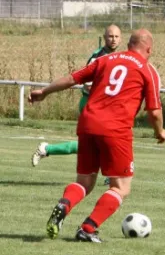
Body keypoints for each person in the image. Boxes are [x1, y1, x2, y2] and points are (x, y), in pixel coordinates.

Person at [28, 28, 165, 243]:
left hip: (87, 123)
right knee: (120, 187)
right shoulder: (147, 70)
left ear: (128, 44)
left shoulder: (106, 59)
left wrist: (44, 92)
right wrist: (160, 132)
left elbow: (71, 78)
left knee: (84, 181)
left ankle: (64, 205)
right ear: (149, 49)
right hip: (116, 130)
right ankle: (88, 228)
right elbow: (155, 111)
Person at [31, 25, 122, 167]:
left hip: (101, 105)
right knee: (107, 140)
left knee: (90, 146)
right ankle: (111, 174)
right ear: (104, 38)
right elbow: (88, 84)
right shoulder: (98, 57)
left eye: (116, 37)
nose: (113, 40)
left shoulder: (116, 57)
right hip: (90, 104)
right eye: (110, 36)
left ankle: (46, 149)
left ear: (120, 38)